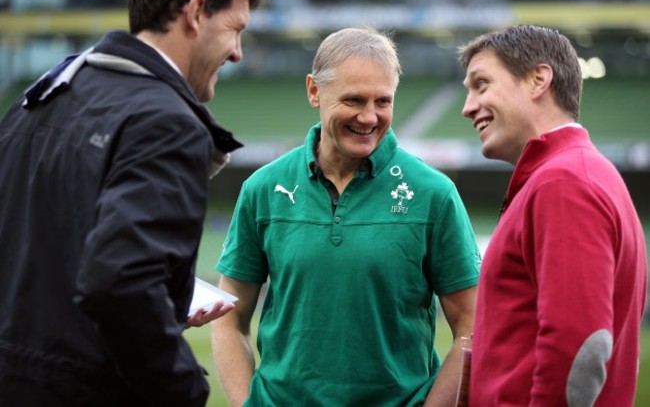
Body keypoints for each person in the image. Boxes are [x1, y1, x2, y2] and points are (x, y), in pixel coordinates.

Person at [0, 0, 270, 405]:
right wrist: (184, 388)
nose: (238, 52)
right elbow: (119, 282)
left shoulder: (42, 93)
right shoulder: (168, 122)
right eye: (236, 29)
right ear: (196, 12)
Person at [211, 27, 481, 406]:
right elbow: (229, 317)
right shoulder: (263, 188)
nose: (369, 117)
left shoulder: (433, 194)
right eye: (354, 100)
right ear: (313, 91)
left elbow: (472, 325)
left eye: (383, 101)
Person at [457, 24, 648, 406]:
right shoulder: (576, 173)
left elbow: (580, 349)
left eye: (481, 85)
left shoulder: (563, 182)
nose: (467, 107)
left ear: (538, 80)